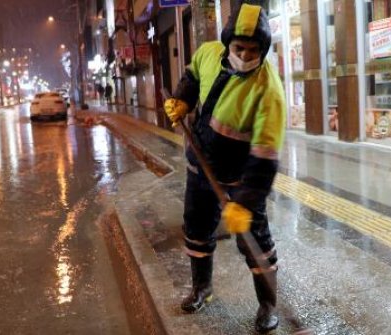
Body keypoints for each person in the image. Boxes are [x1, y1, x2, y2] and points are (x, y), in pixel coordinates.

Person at [164, 4, 286, 334]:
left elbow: (265, 159)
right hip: (199, 166)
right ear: (227, 44)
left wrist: (244, 203)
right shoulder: (208, 53)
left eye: (253, 50)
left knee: (255, 242)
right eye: (239, 48)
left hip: (241, 176)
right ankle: (201, 288)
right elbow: (191, 77)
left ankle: (267, 305)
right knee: (197, 228)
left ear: (263, 50)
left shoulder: (268, 91)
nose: (245, 55)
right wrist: (182, 100)